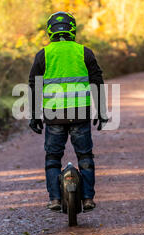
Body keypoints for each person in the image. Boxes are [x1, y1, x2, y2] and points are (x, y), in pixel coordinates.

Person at [28, 11, 108, 212]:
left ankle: (55, 199)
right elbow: (97, 82)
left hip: (54, 116)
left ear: (49, 30)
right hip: (80, 113)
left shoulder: (43, 55)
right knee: (85, 157)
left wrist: (34, 115)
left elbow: (34, 85)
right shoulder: (84, 52)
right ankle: (88, 198)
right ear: (73, 29)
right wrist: (101, 111)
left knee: (53, 158)